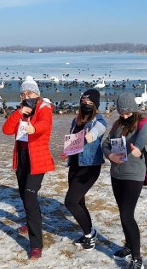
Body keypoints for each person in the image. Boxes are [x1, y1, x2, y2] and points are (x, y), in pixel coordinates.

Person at [2, 76, 55, 260]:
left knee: (30, 197)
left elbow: (44, 124)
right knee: (24, 195)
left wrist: (34, 129)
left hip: (37, 159)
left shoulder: (44, 108)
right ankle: (31, 223)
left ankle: (36, 245)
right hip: (22, 158)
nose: (27, 95)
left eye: (30, 92)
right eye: (24, 93)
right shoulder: (22, 111)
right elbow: (7, 130)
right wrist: (18, 113)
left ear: (37, 94)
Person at [101, 93, 147, 269]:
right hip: (116, 173)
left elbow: (144, 136)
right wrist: (110, 155)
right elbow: (105, 144)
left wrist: (137, 149)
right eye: (121, 112)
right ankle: (128, 246)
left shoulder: (143, 122)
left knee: (126, 215)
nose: (124, 115)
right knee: (123, 213)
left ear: (134, 110)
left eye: (128, 112)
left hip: (133, 175)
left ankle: (137, 258)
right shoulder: (118, 124)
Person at [59, 89, 106, 251]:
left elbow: (100, 129)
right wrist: (66, 152)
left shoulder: (99, 120)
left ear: (95, 105)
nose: (86, 105)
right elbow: (73, 141)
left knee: (70, 201)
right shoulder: (75, 121)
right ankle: (88, 233)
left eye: (89, 103)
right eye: (83, 103)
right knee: (79, 201)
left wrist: (91, 136)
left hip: (90, 167)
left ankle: (89, 234)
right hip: (74, 165)